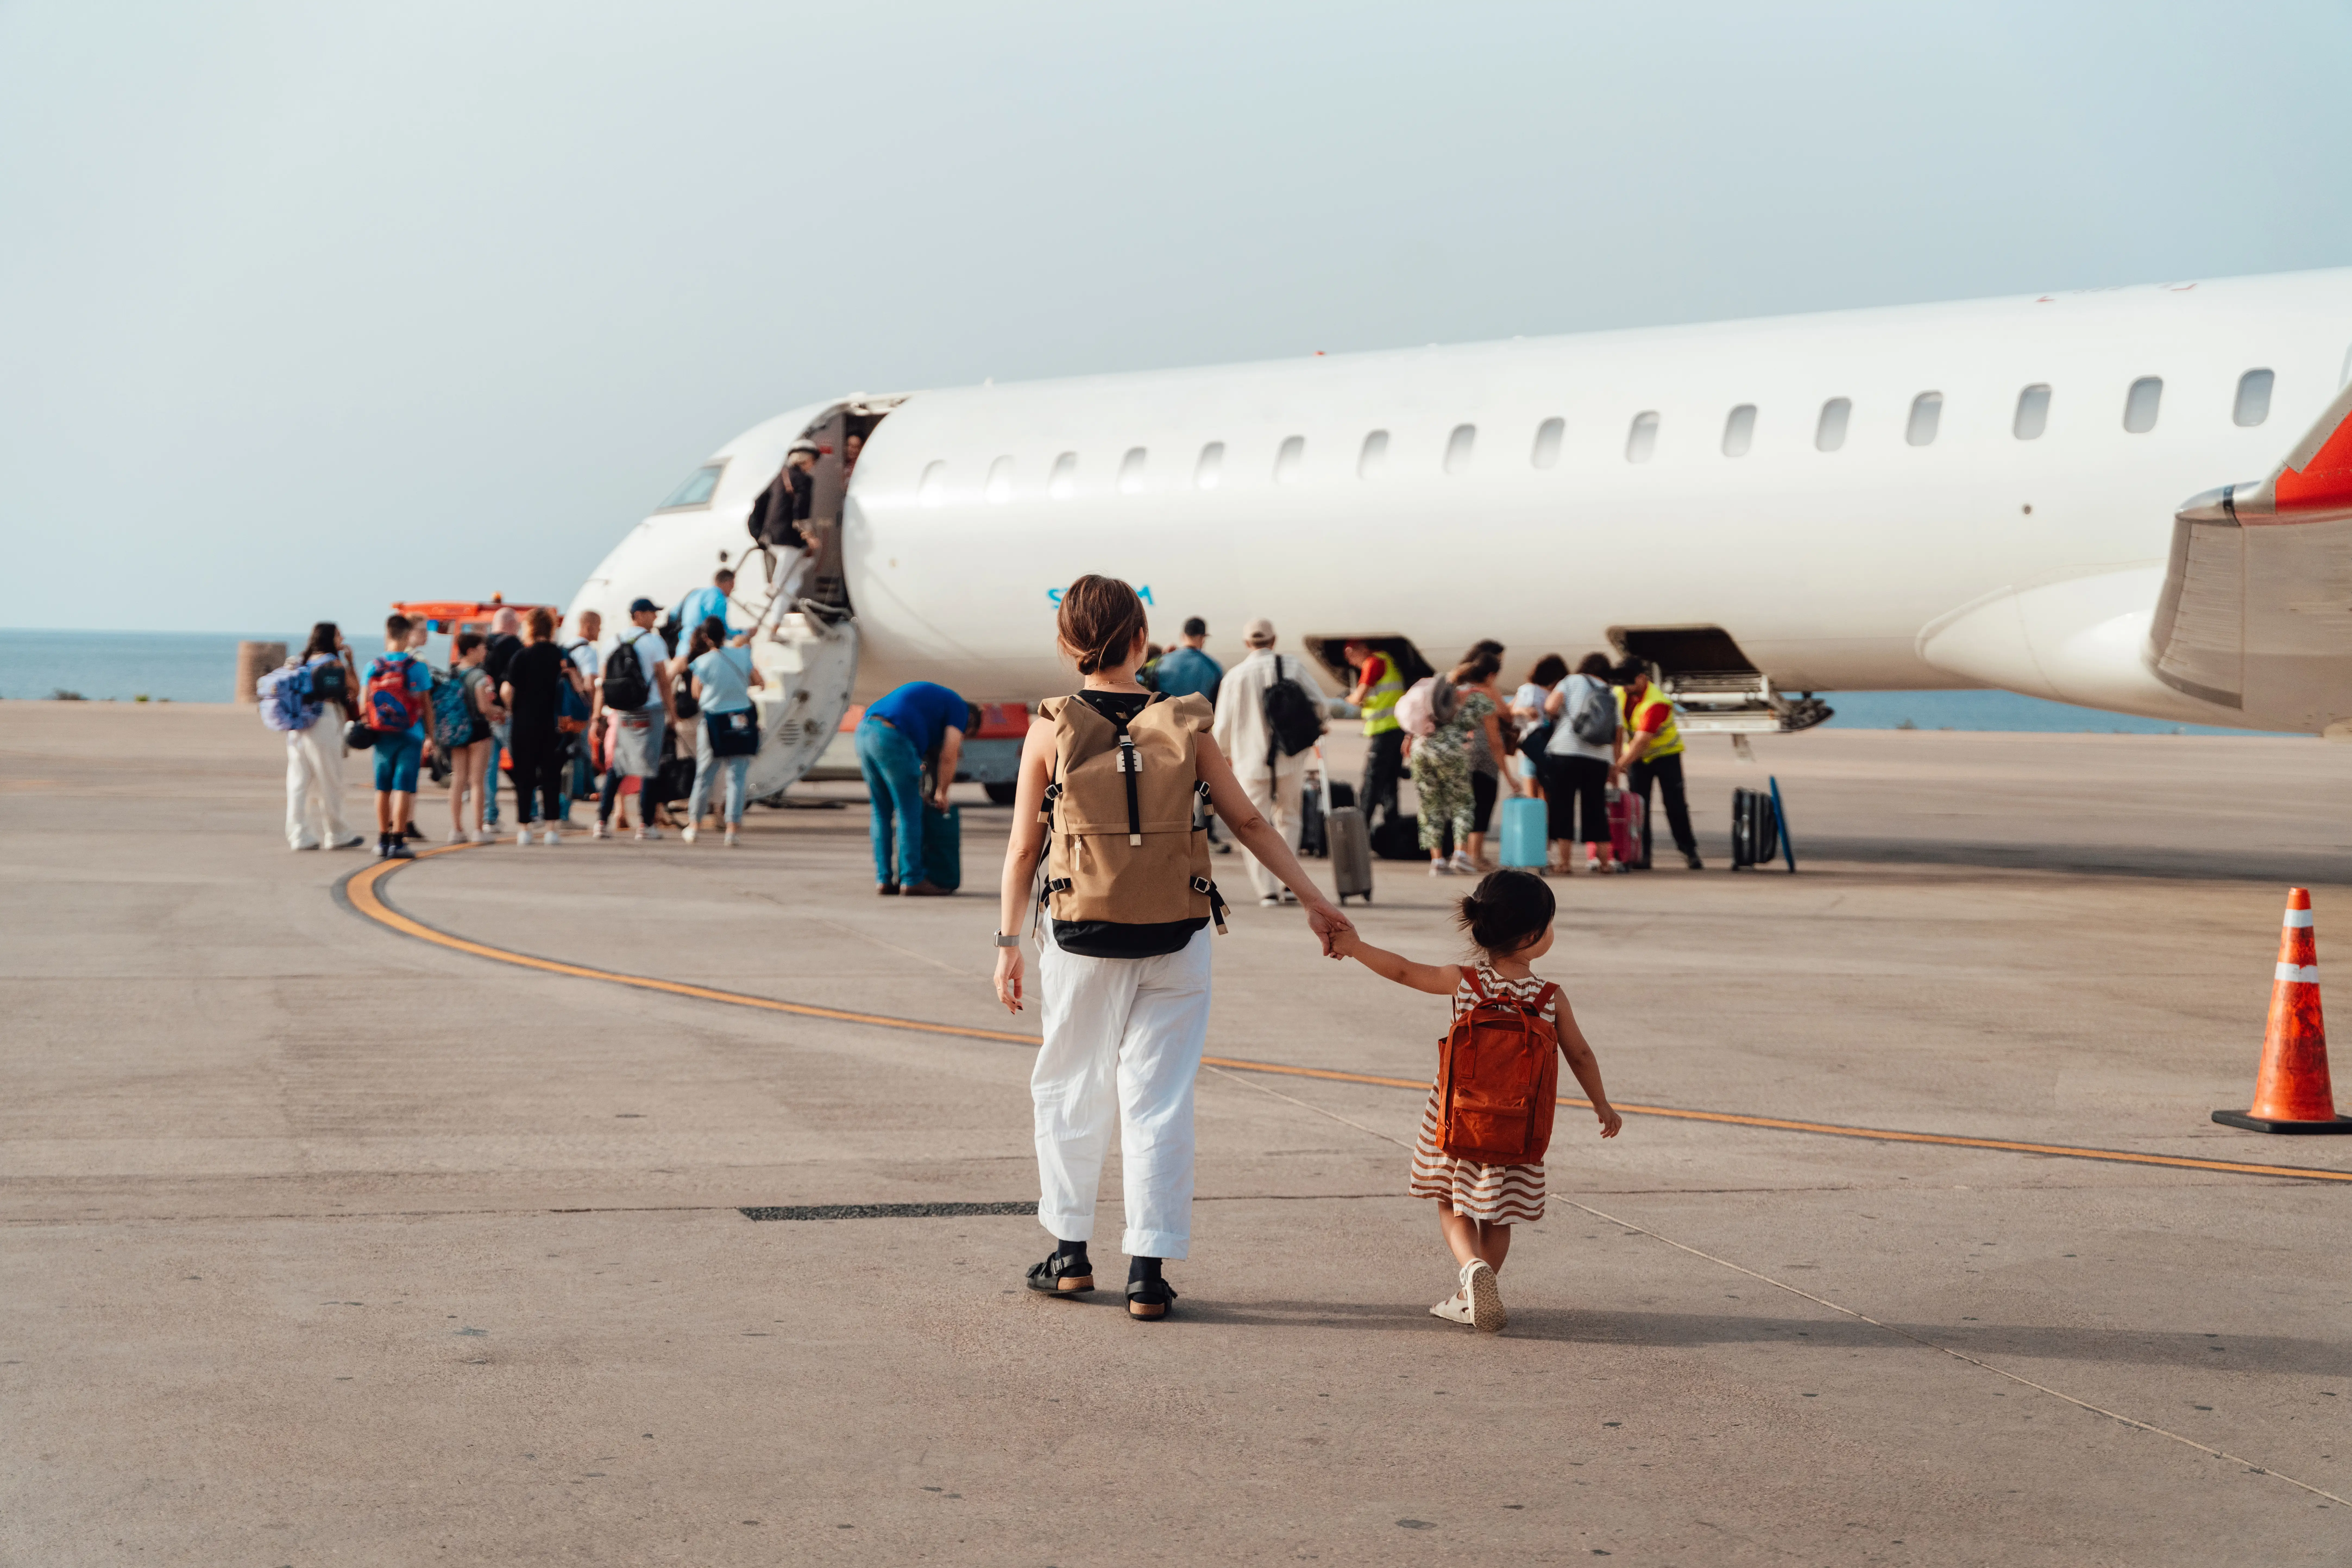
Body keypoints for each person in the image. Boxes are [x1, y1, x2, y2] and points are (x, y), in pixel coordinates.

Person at [992, 574, 1353, 1320]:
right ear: (1139, 639)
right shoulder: (1184, 719)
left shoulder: (1049, 725)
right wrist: (1315, 900)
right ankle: (1148, 1272)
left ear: (1067, 644)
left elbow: (1024, 846)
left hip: (1079, 936)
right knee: (1158, 1097)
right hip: (1176, 933)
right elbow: (1249, 822)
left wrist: (1006, 942)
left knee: (1068, 1085)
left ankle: (1068, 1253)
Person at [1330, 869, 1620, 1332]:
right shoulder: (1549, 996)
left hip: (1458, 1120)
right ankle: (1474, 1290)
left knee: (1451, 1200)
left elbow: (1404, 970)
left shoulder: (1466, 982)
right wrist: (1602, 1105)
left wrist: (1355, 945)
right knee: (1498, 1214)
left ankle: (1470, 1271)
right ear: (1532, 936)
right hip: (1518, 1127)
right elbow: (1580, 1053)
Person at [1209, 617, 1329, 906]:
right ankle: (1290, 884)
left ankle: (1267, 890)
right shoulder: (1291, 667)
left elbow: (1222, 725)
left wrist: (1225, 753)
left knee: (1252, 823)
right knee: (1288, 818)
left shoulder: (1235, 676)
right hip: (1290, 756)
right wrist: (1317, 727)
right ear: (1274, 641)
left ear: (1247, 643)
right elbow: (1320, 703)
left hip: (1249, 761)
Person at [856, 679, 967, 895]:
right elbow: (949, 753)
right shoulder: (959, 707)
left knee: (881, 811)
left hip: (864, 731)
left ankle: (884, 879)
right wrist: (942, 792)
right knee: (909, 812)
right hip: (891, 736)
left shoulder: (934, 704)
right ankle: (913, 879)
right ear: (971, 721)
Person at [1409, 651, 1514, 876]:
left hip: (1422, 749)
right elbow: (1495, 741)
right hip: (1451, 751)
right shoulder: (1480, 700)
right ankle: (1460, 856)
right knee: (1462, 804)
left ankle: (1437, 861)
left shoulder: (1439, 693)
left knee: (1430, 805)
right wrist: (1509, 774)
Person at [593, 598, 678, 841]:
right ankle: (645, 825)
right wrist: (672, 714)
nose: (655, 618)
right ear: (638, 615)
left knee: (618, 766)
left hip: (623, 712)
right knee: (650, 767)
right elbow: (663, 680)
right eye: (652, 613)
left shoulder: (612, 642)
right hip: (649, 709)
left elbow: (602, 684)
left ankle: (601, 821)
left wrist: (597, 717)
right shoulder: (653, 642)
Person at [500, 607, 586, 845]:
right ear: (551, 628)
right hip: (555, 724)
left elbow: (507, 690)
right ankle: (552, 829)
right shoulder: (562, 656)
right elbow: (579, 688)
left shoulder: (521, 656)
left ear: (529, 628)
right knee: (552, 776)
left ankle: (525, 829)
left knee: (525, 777)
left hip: (525, 724)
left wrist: (513, 709)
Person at [281, 623, 364, 851]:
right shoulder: (332, 661)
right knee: (331, 780)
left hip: (297, 724)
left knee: (298, 783)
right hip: (323, 722)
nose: (343, 638)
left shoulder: (299, 661)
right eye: (339, 635)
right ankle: (337, 833)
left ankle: (299, 835)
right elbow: (355, 690)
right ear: (330, 638)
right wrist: (351, 661)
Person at [684, 614, 765, 846]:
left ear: (706, 638)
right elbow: (759, 681)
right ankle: (733, 830)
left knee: (705, 775)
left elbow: (696, 693)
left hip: (714, 721)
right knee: (737, 778)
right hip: (740, 719)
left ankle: (694, 826)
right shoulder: (742, 655)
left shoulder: (703, 662)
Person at [1616, 662, 1702, 871]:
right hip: (1639, 760)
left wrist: (1618, 765)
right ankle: (1642, 854)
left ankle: (1689, 850)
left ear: (1642, 678)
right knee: (1639, 808)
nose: (1625, 687)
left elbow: (1642, 740)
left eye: (1629, 683)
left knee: (1675, 806)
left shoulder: (1657, 702)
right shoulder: (1620, 693)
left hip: (1666, 756)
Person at [365, 614, 438, 860]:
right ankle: (399, 840)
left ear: (387, 634)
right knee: (403, 788)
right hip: (411, 734)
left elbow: (366, 704)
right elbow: (426, 704)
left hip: (382, 735)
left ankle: (382, 840)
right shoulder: (416, 667)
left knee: (382, 788)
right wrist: (431, 734)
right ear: (408, 636)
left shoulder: (373, 666)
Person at [1540, 653, 1621, 875]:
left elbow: (1551, 706)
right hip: (1599, 758)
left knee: (1563, 807)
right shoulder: (1610, 691)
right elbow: (1618, 731)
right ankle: (1605, 863)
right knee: (1595, 809)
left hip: (1566, 751)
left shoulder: (1571, 681)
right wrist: (1614, 764)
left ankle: (1565, 863)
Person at [1344, 638, 1407, 832]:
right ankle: (1392, 827)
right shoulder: (1387, 660)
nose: (1350, 662)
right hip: (1396, 729)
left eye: (1350, 655)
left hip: (1384, 731)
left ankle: (1361, 830)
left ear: (1359, 649)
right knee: (1390, 782)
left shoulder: (1373, 662)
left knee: (1373, 781)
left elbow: (1359, 697)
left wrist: (1347, 698)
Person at [445, 632, 501, 844]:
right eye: (482, 648)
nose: (485, 651)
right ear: (471, 651)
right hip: (478, 730)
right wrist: (500, 712)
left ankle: (457, 830)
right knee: (477, 781)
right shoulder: (479, 676)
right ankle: (479, 829)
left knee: (458, 779)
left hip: (456, 729)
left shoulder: (452, 673)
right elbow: (483, 707)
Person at [1459, 646, 1511, 871]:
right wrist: (1508, 773)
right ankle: (1476, 856)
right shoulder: (1486, 693)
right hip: (1483, 756)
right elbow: (1504, 717)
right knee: (1483, 804)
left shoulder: (1459, 690)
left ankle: (1460, 855)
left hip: (1459, 754)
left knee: (1463, 806)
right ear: (1491, 675)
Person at [479, 607, 524, 831]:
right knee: (524, 763)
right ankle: (532, 811)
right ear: (512, 624)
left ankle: (490, 817)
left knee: (489, 768)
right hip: (507, 714)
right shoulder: (514, 645)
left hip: (485, 713)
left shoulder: (482, 645)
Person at [1510, 654, 1567, 805]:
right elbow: (1511, 711)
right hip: (1534, 746)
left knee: (1544, 797)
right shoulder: (1530, 690)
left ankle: (1542, 827)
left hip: (1544, 746)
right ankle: (1541, 827)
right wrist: (1525, 711)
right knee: (1537, 798)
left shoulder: (1555, 694)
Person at [563, 610, 602, 807]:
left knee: (572, 748)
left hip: (564, 707)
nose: (600, 631)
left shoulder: (567, 648)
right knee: (582, 749)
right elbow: (590, 683)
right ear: (589, 626)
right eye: (598, 626)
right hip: (580, 706)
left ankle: (585, 786)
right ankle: (582, 789)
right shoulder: (588, 651)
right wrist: (596, 708)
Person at [1152, 618, 1223, 704]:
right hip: (1198, 717)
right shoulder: (1213, 667)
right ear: (1203, 639)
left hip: (1165, 716)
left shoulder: (1163, 662)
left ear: (1182, 636)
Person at [672, 569, 737, 654]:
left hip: (682, 649)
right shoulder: (720, 598)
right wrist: (745, 634)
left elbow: (673, 615)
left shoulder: (694, 593)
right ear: (730, 583)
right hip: (703, 651)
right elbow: (722, 631)